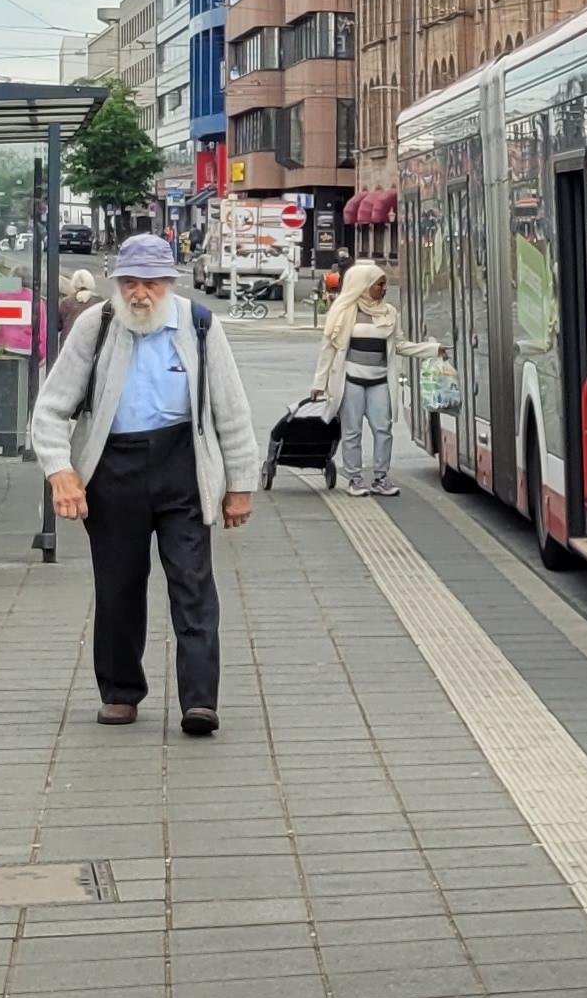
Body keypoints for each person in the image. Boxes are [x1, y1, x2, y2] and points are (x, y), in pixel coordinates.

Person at [30, 232, 260, 735]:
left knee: (193, 586)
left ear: (170, 283)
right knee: (119, 588)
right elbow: (49, 410)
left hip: (183, 467)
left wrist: (240, 483)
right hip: (115, 471)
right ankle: (120, 691)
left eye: (152, 283)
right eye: (131, 282)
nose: (140, 294)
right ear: (117, 284)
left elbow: (232, 410)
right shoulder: (96, 325)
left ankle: (199, 701)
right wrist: (59, 470)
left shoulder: (199, 325)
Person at [314, 260, 403, 498]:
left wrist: (431, 350)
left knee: (383, 430)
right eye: (379, 284)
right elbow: (328, 349)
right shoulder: (344, 312)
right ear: (363, 286)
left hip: (380, 381)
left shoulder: (390, 313)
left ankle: (380, 478)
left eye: (385, 284)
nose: (384, 289)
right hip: (351, 381)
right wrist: (319, 384)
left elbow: (400, 345)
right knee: (352, 432)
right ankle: (354, 479)